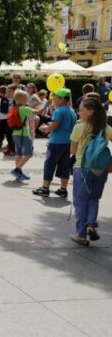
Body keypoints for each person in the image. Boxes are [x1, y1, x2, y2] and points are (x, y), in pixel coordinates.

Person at [70, 96, 112, 246]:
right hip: (100, 169)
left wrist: (72, 158)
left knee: (80, 202)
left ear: (91, 112)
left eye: (81, 110)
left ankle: (81, 234)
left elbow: (73, 149)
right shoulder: (107, 129)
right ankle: (91, 224)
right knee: (94, 198)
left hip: (82, 167)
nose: (79, 112)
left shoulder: (79, 126)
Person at [33, 88, 77, 198]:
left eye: (55, 97)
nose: (53, 99)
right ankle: (63, 189)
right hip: (68, 142)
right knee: (64, 165)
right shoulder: (71, 111)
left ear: (62, 99)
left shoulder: (59, 110)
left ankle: (45, 188)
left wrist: (47, 128)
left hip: (56, 142)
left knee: (49, 163)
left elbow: (55, 125)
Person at [11, 90, 42, 181]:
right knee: (29, 153)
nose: (27, 100)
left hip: (16, 133)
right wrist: (47, 103)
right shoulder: (24, 109)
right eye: (26, 98)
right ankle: (17, 170)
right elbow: (39, 112)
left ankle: (18, 173)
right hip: (23, 134)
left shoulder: (14, 108)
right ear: (21, 99)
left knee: (19, 153)